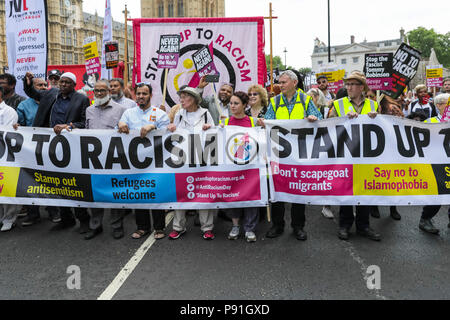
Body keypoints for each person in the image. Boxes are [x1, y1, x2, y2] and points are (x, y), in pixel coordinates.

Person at [23, 71, 91, 232]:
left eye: (67, 82)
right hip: (50, 147)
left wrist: (70, 126)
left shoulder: (81, 99)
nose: (63, 85)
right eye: (61, 82)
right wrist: (28, 82)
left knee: (73, 184)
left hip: (70, 148)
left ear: (74, 85)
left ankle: (84, 220)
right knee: (56, 183)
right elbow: (31, 92)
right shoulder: (51, 94)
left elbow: (84, 122)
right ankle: (65, 218)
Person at [262, 70, 323, 241]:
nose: (279, 85)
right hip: (277, 153)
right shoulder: (274, 101)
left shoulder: (306, 100)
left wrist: (313, 118)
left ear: (294, 82)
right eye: (279, 82)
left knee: (298, 189)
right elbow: (269, 121)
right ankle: (277, 225)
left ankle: (298, 226)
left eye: (283, 82)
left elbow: (318, 118)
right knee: (276, 190)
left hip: (298, 153)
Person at [329, 72, 381, 241]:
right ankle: (344, 225)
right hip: (346, 154)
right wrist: (344, 118)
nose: (348, 87)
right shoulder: (338, 104)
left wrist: (376, 118)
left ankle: (363, 226)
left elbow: (384, 128)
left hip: (367, 156)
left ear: (361, 88)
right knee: (346, 190)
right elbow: (328, 126)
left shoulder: (374, 105)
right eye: (347, 84)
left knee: (364, 191)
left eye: (352, 84)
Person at [118, 83, 170, 240]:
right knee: (138, 193)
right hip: (135, 162)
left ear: (150, 95)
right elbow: (118, 130)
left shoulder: (159, 114)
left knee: (155, 193)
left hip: (155, 162)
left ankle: (159, 227)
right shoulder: (128, 113)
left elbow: (168, 133)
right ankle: (142, 227)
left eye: (144, 94)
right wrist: (119, 125)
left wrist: (153, 126)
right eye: (138, 93)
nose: (141, 96)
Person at [167, 86, 216, 240]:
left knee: (203, 192)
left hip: (202, 160)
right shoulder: (179, 114)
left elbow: (216, 133)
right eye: (180, 97)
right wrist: (171, 128)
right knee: (180, 193)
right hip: (182, 161)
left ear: (194, 99)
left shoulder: (206, 114)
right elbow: (174, 134)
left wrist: (210, 127)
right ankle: (178, 227)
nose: (181, 100)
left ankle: (207, 228)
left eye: (184, 97)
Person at [84, 80, 128, 240]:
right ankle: (95, 225)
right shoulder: (88, 110)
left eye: (102, 91)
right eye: (96, 91)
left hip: (113, 160)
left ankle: (117, 226)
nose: (99, 94)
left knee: (114, 194)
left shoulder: (121, 110)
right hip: (93, 161)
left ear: (109, 91)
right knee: (95, 194)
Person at [220, 91, 260, 242]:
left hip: (250, 168)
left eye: (236, 103)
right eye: (231, 103)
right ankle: (235, 226)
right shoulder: (225, 123)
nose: (232, 106)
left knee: (251, 196)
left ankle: (250, 228)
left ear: (245, 105)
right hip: (232, 167)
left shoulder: (253, 122)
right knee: (234, 196)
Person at [419, 93, 450, 233]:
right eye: (447, 104)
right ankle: (425, 219)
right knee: (437, 192)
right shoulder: (429, 122)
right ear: (438, 105)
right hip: (436, 163)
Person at [0, 86, 19, 231]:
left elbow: (6, 132)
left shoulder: (8, 111)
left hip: (5, 153)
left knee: (6, 186)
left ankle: (9, 218)